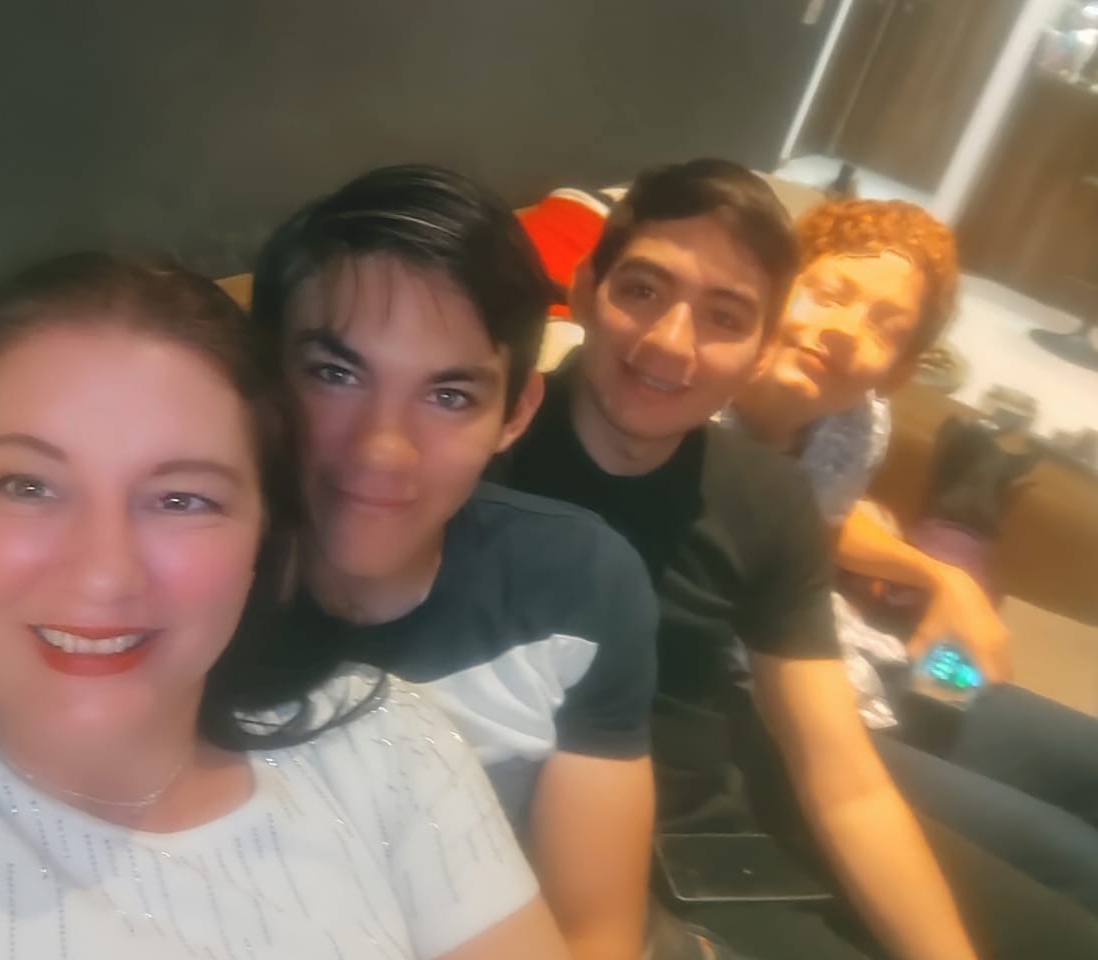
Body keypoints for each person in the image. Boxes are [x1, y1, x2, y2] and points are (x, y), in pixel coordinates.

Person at [0, 253, 569, 959]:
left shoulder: (388, 746)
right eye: (27, 486)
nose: (103, 574)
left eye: (181, 499)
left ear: (262, 536)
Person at [496, 157, 1098, 960]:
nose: (672, 341)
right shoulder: (481, 456)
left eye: (724, 315)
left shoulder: (784, 479)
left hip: (820, 724)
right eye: (642, 290)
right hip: (666, 845)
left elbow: (842, 777)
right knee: (1065, 860)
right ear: (585, 287)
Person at [250, 165, 673, 960]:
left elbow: (592, 934)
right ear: (265, 378)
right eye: (336, 374)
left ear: (516, 413)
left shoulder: (579, 590)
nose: (382, 449)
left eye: (449, 396)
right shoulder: (186, 604)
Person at [724, 198, 1098, 914]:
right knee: (1073, 858)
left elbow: (821, 526)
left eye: (884, 328)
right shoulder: (693, 399)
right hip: (779, 713)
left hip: (868, 653)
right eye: (829, 292)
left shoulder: (856, 421)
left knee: (1075, 751)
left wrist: (944, 578)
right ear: (778, 282)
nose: (845, 328)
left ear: (897, 371)